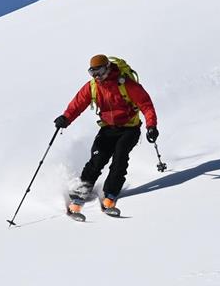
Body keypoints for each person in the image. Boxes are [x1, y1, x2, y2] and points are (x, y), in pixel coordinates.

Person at [54, 55, 158, 216]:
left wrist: (151, 126)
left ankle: (110, 193)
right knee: (98, 157)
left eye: (100, 71)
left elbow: (146, 105)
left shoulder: (126, 84)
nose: (97, 76)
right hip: (108, 128)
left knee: (120, 157)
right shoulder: (93, 87)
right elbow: (78, 104)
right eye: (92, 73)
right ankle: (82, 190)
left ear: (108, 67)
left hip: (129, 128)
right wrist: (66, 118)